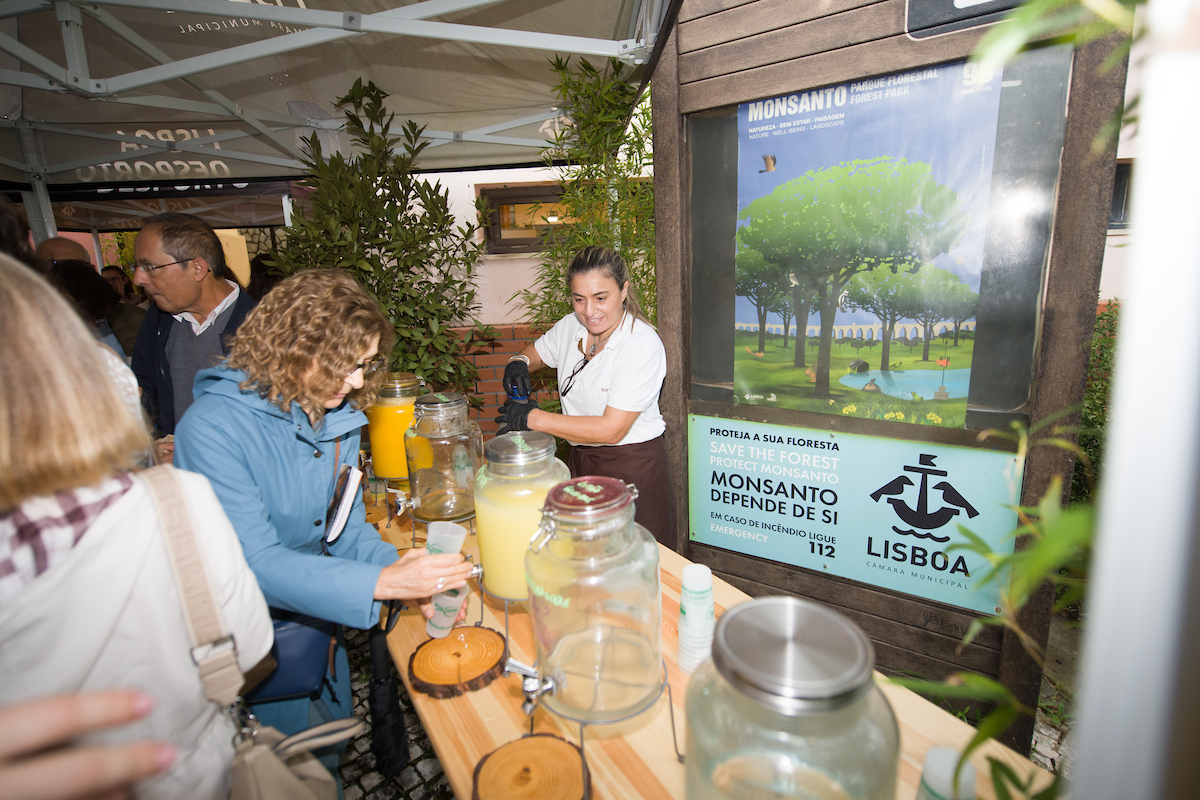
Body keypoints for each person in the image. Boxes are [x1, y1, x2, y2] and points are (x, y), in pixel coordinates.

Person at [173, 269, 473, 773]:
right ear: (289, 348)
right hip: (253, 652)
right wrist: (383, 581)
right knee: (280, 773)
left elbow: (344, 528)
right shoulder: (210, 429)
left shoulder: (331, 415)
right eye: (344, 364)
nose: (357, 381)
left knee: (325, 759)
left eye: (364, 364)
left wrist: (407, 577)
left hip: (321, 627)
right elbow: (254, 564)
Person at [0, 253, 274, 800]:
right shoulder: (178, 501)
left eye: (151, 266)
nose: (142, 279)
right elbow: (249, 645)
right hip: (198, 771)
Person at [496, 245, 677, 546]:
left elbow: (612, 428)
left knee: (634, 565)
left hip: (632, 467)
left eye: (600, 298)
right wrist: (520, 362)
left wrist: (531, 418)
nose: (589, 311)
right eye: (579, 299)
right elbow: (538, 352)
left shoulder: (640, 344)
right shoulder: (572, 326)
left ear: (623, 291)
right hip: (581, 460)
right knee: (586, 558)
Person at [130, 212, 256, 447]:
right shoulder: (158, 321)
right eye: (136, 266)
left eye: (149, 267)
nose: (138, 279)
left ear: (197, 268)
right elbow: (146, 391)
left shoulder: (262, 328)